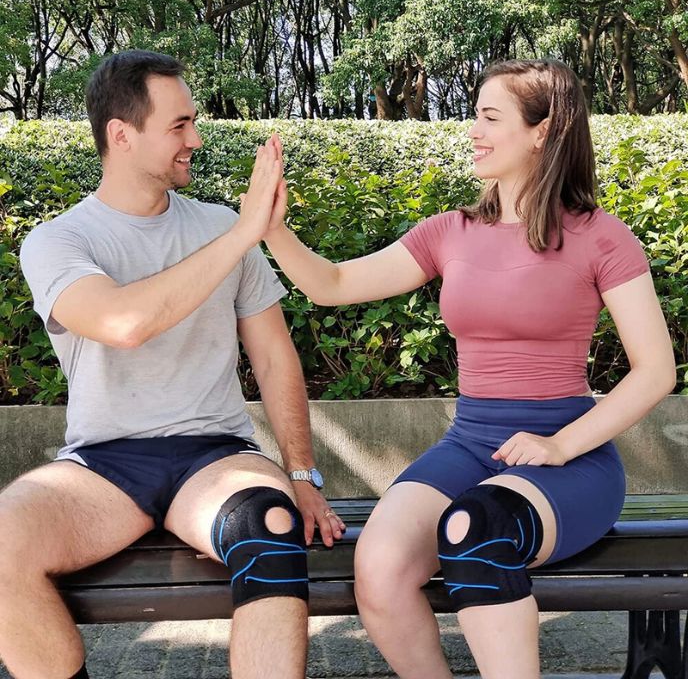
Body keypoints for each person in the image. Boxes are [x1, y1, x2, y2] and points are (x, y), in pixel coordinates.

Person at [249, 59, 676, 678]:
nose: (472, 130)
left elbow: (655, 370)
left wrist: (560, 446)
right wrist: (275, 229)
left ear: (543, 129)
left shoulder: (601, 238)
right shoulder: (450, 232)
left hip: (568, 458)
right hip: (472, 443)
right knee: (381, 564)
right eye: (474, 114)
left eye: (489, 116)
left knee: (475, 529)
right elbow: (332, 283)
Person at [0, 49, 345, 679]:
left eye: (194, 122)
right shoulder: (59, 240)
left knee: (269, 526)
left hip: (216, 454)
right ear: (122, 136)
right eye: (179, 125)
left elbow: (273, 358)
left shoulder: (218, 224)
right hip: (104, 465)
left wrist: (302, 473)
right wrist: (244, 233)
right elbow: (123, 324)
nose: (196, 138)